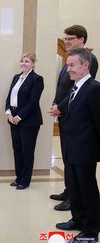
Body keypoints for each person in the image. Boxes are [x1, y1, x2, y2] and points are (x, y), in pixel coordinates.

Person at [48, 25, 98, 211]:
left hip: (74, 116)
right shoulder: (69, 60)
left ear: (82, 39)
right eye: (65, 38)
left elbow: (79, 90)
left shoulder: (88, 59)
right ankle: (69, 191)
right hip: (65, 114)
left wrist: (60, 107)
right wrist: (57, 105)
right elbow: (65, 88)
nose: (66, 41)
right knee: (69, 158)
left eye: (70, 38)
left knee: (77, 162)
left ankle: (73, 198)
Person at [53, 48, 100, 242]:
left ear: (85, 65)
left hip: (85, 150)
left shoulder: (94, 88)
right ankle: (78, 219)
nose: (68, 69)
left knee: (87, 190)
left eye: (72, 65)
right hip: (71, 148)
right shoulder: (76, 86)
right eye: (67, 65)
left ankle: (91, 231)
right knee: (74, 187)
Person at [5, 53, 44, 190]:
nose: (23, 63)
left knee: (27, 151)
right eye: (22, 61)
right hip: (13, 118)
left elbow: (33, 102)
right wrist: (9, 113)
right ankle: (18, 178)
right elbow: (9, 97)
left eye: (27, 61)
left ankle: (25, 180)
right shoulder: (16, 77)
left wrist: (19, 116)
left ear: (33, 63)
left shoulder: (37, 79)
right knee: (17, 149)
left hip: (29, 121)